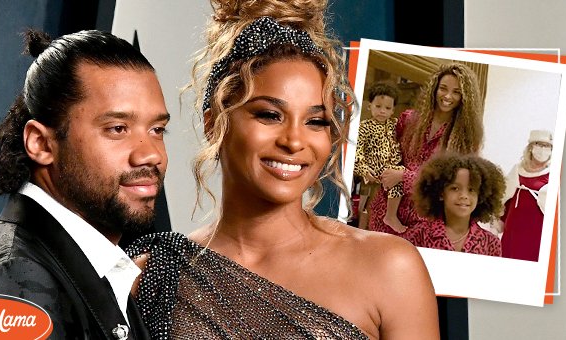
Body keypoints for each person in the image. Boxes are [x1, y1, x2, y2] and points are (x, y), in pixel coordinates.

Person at [127, 1, 439, 339]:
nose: (294, 141)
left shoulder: (390, 267)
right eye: (269, 115)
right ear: (215, 122)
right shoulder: (158, 274)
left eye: (315, 121)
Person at [0, 29, 168, 339]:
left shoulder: (70, 266)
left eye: (157, 129)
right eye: (117, 128)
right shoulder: (14, 276)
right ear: (41, 144)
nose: (151, 154)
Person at [367, 63, 484, 240]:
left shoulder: (465, 139)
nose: (447, 96)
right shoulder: (409, 119)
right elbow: (387, 149)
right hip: (384, 213)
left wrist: (403, 176)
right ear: (434, 89)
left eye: (456, 92)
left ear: (465, 97)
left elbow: (453, 183)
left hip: (422, 223)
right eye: (443, 88)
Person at [410, 153, 504, 256]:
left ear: (480, 196)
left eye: (471, 190)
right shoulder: (419, 234)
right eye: (455, 188)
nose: (464, 196)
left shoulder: (491, 243)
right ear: (441, 193)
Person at [354, 82, 406, 233]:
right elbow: (358, 151)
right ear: (370, 106)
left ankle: (389, 216)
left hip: (391, 169)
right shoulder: (365, 126)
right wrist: (363, 170)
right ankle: (362, 228)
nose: (382, 111)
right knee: (366, 205)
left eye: (387, 108)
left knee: (403, 174)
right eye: (378, 106)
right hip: (374, 169)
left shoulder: (394, 125)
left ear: (392, 111)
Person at [498, 129, 552, 262]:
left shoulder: (552, 174)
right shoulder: (517, 169)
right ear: (531, 147)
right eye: (539, 144)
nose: (543, 149)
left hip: (536, 233)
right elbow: (505, 198)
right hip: (513, 230)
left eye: (547, 146)